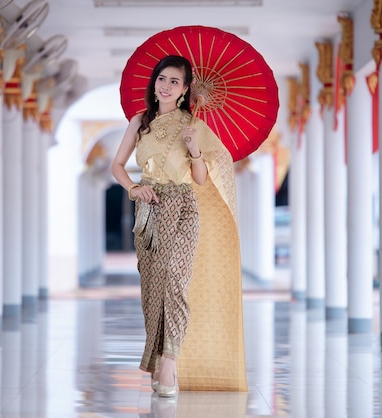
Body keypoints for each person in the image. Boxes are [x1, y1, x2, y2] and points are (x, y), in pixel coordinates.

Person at [112, 55, 247, 397]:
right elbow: (117, 166)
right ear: (154, 82)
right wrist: (133, 187)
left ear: (186, 89)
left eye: (175, 81)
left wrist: (195, 149)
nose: (166, 86)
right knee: (153, 289)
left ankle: (169, 362)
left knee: (175, 280)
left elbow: (200, 180)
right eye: (162, 78)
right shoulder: (139, 121)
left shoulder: (193, 125)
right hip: (149, 209)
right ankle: (157, 359)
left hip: (184, 207)